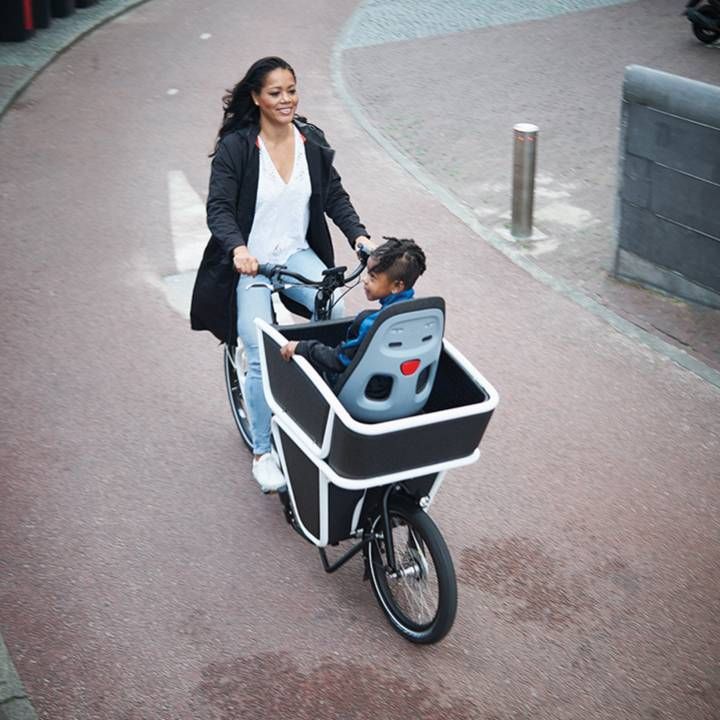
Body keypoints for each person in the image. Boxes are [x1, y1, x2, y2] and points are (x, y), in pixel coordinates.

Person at [190, 56, 373, 493]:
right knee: (258, 350)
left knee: (336, 312)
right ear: (256, 98)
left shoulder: (311, 139)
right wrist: (238, 249)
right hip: (251, 263)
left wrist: (359, 235)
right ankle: (262, 452)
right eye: (275, 92)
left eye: (291, 90)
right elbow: (219, 208)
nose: (286, 99)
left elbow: (333, 194)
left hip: (295, 255)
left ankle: (322, 408)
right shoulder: (237, 147)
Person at [280, 237, 426, 386]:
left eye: (373, 277)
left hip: (365, 391)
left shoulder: (374, 324)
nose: (365, 280)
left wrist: (302, 347)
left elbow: (338, 361)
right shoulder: (423, 315)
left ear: (397, 286)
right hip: (403, 386)